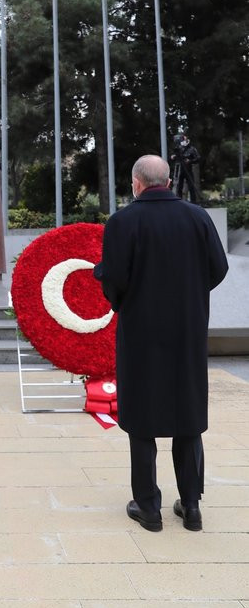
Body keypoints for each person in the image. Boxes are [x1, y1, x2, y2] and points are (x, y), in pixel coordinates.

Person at [94, 154, 228, 532]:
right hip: (187, 330)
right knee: (188, 414)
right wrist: (190, 293)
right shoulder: (197, 218)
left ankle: (148, 506)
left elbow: (113, 278)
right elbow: (218, 268)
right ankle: (191, 505)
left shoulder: (122, 221)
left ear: (136, 183)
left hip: (141, 332)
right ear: (167, 182)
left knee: (141, 418)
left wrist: (125, 299)